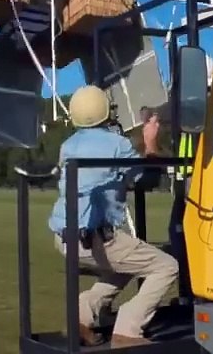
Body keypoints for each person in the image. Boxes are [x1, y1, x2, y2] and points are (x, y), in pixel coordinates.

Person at [48, 84, 179, 348]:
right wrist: (150, 141)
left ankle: (82, 315)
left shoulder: (67, 145)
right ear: (105, 111)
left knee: (121, 269)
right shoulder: (117, 145)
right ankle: (128, 329)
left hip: (65, 237)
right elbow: (147, 179)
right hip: (95, 238)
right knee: (166, 266)